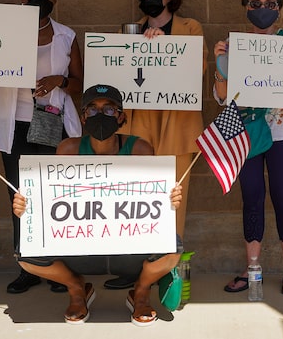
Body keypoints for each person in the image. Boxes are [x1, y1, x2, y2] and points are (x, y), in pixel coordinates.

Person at [12, 84, 183, 325]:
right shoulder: (69, 149)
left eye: (109, 109)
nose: (99, 115)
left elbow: (155, 201)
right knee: (25, 254)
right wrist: (25, 206)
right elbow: (49, 201)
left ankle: (141, 292)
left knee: (173, 248)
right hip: (82, 248)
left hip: (129, 247)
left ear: (121, 116)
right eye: (92, 110)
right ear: (83, 118)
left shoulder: (139, 149)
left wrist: (170, 198)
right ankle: (76, 288)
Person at [105, 0, 207, 290]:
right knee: (135, 200)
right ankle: (134, 268)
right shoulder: (129, 31)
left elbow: (198, 69)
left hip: (177, 127)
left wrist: (166, 45)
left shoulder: (190, 28)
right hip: (140, 127)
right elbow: (117, 74)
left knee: (173, 202)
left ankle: (166, 271)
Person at [0, 0, 83, 294]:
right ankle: (28, 266)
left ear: (55, 0)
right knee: (20, 196)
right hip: (15, 122)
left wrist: (60, 81)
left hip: (52, 121)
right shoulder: (1, 34)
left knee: (55, 194)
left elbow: (80, 85)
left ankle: (58, 267)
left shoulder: (67, 36)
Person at [214, 0, 283, 295]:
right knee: (251, 196)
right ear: (246, 8)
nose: (263, 9)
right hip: (246, 133)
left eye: (270, 4)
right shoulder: (234, 45)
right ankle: (252, 268)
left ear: (279, 10)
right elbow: (223, 96)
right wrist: (220, 62)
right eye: (256, 4)